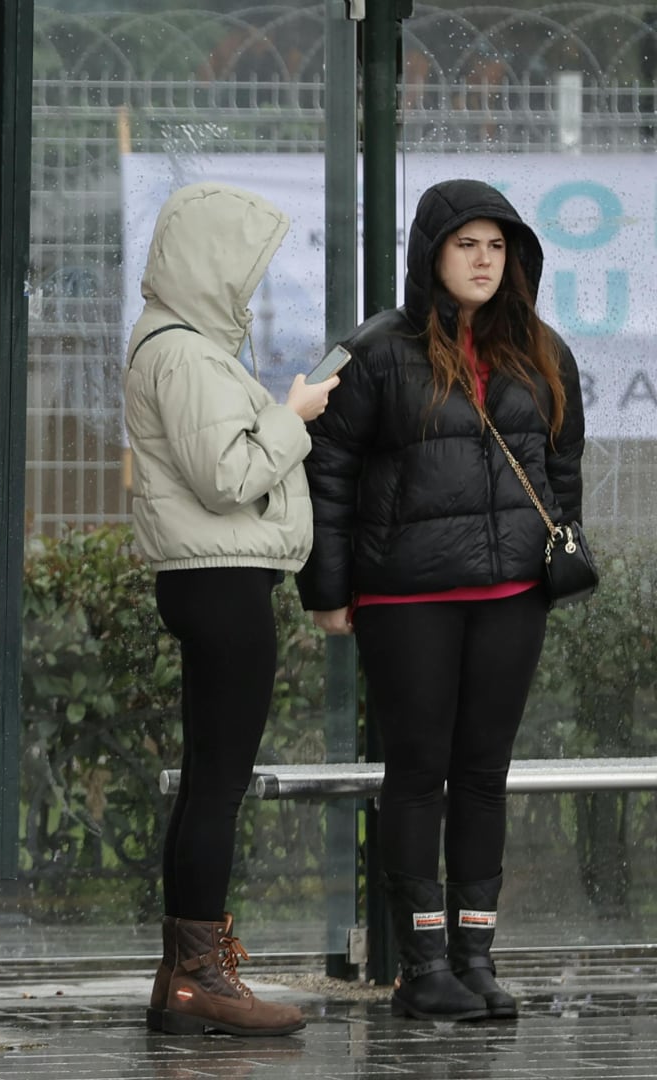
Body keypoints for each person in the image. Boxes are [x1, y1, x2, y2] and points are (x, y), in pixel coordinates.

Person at [297, 179, 585, 1022]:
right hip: (407, 597)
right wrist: (328, 589)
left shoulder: (544, 350)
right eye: (468, 245)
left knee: (485, 776)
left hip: (512, 595)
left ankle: (475, 957)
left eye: (497, 247)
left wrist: (558, 551)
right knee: (418, 774)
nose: (484, 261)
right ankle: (420, 965)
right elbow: (329, 472)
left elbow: (561, 464)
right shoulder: (377, 351)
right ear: (432, 254)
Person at [125, 182, 337, 1037]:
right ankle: (204, 978)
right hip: (222, 579)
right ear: (209, 264)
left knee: (210, 780)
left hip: (214, 577)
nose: (251, 288)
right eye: (243, 269)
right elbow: (229, 476)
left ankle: (184, 979)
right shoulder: (182, 353)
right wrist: (294, 415)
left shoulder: (179, 348)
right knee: (220, 783)